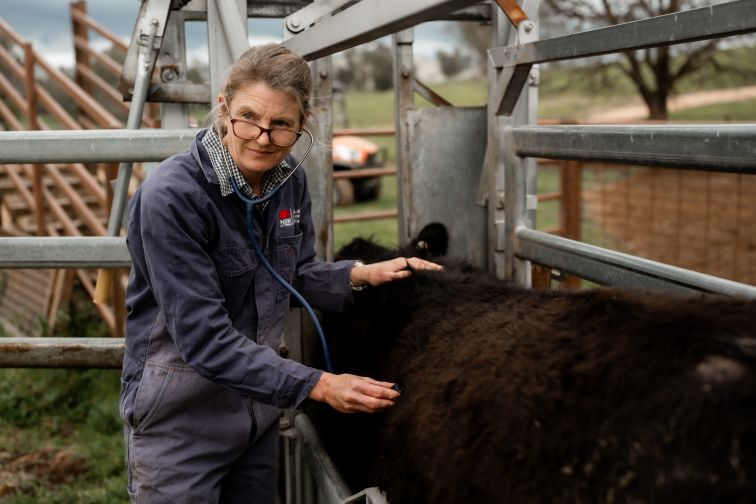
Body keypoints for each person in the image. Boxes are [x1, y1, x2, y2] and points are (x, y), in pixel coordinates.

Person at [119, 44, 441, 503]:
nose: (263, 137)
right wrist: (321, 385)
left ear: (300, 125)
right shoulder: (172, 198)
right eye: (249, 116)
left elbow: (290, 276)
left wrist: (361, 275)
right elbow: (204, 340)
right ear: (223, 107)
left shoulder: (289, 181)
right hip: (181, 420)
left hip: (255, 414)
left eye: (281, 125)